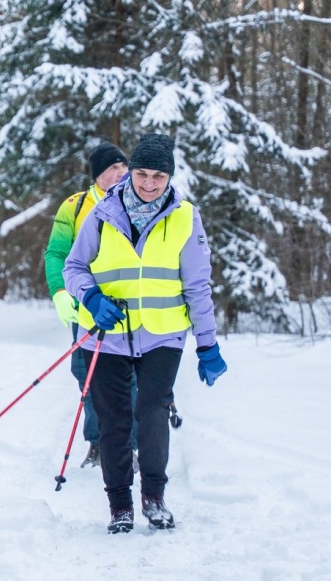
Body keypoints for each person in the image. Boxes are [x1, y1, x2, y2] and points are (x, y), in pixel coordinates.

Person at [63, 132, 227, 534]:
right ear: (130, 172)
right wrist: (91, 298)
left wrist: (207, 344)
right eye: (142, 174)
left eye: (158, 176)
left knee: (153, 414)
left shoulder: (185, 217)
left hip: (163, 335)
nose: (149, 184)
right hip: (107, 336)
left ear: (169, 177)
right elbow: (73, 268)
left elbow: (197, 286)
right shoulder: (102, 213)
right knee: (114, 421)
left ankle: (154, 498)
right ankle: (120, 505)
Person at [43, 141, 130, 468]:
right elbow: (57, 252)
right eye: (113, 167)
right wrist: (60, 292)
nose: (121, 172)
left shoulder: (139, 201)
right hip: (87, 307)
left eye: (124, 166)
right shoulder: (75, 206)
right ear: (98, 174)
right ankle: (97, 443)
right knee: (87, 375)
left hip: (128, 309)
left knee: (129, 380)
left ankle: (130, 448)